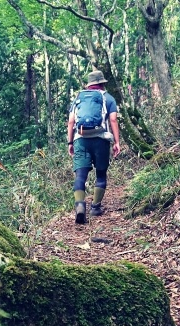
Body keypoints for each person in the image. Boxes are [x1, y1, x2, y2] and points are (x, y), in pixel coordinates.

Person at [67, 70, 121, 224]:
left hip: (80, 139)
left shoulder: (78, 97)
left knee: (80, 176)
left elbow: (71, 122)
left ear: (89, 84)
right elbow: (113, 120)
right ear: (103, 83)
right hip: (101, 140)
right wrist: (117, 142)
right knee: (101, 174)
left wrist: (70, 142)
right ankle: (95, 207)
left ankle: (80, 205)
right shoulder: (108, 98)